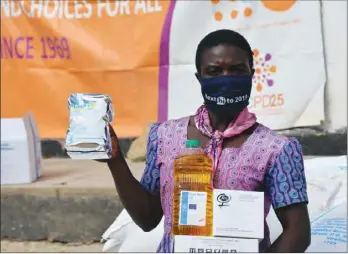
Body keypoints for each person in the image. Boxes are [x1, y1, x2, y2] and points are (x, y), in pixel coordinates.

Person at [103, 29, 311, 252]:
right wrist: (114, 160)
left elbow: (297, 232)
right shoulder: (164, 137)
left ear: (251, 74)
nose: (226, 78)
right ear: (199, 78)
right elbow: (147, 218)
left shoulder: (277, 149)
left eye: (236, 69)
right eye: (214, 71)